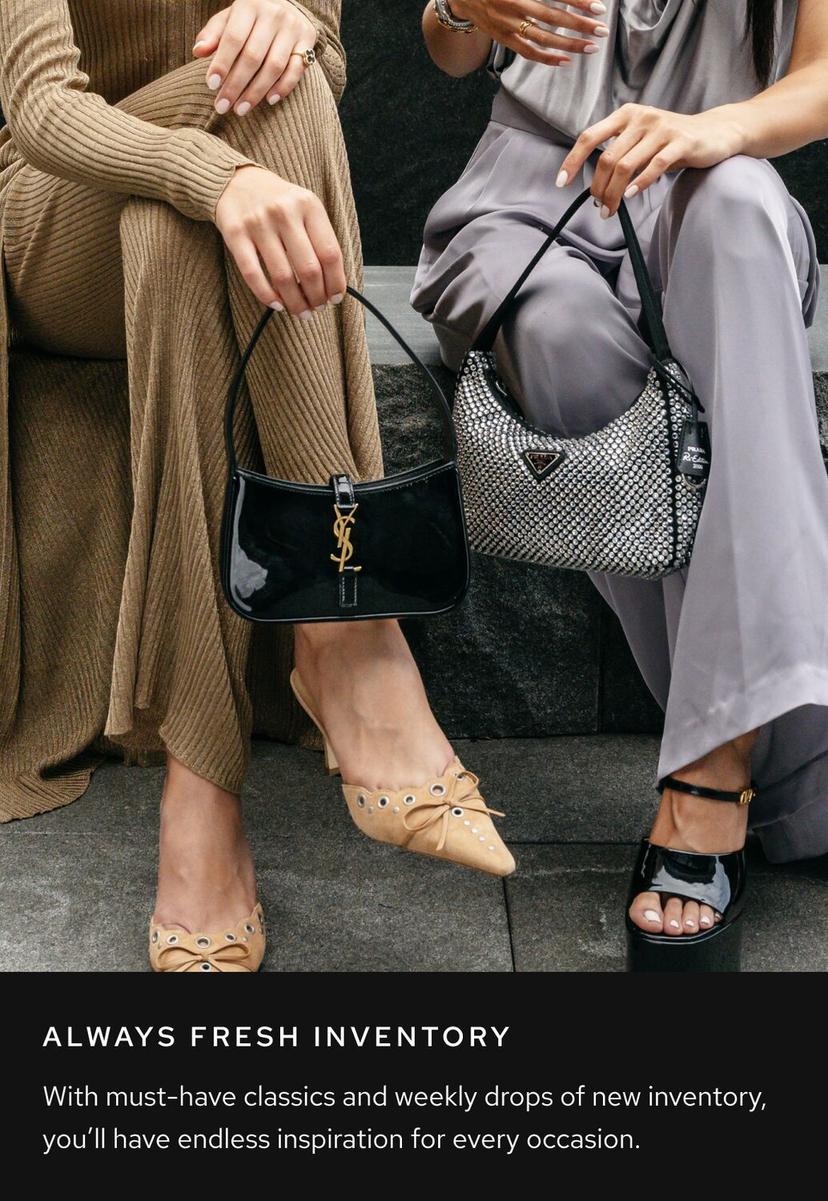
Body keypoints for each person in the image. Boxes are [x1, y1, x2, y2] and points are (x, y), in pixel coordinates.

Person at [0, 0, 514, 975]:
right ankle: (350, 633)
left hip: (184, 201)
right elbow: (41, 110)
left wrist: (295, 25)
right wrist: (216, 176)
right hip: (51, 217)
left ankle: (202, 801)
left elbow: (319, 57)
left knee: (233, 159)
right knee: (243, 140)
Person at [415, 0, 828, 968]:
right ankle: (799, 766)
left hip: (713, 170)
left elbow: (819, 76)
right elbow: (449, 49)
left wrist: (709, 132)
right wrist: (460, 6)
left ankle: (710, 770)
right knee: (557, 336)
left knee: (734, 215)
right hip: (532, 190)